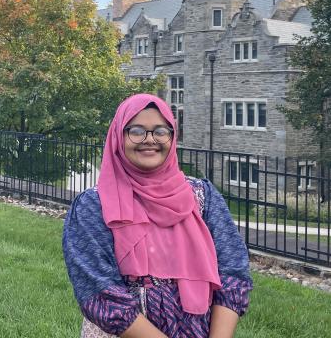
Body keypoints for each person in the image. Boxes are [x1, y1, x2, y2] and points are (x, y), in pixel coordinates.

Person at [63, 93, 252, 338]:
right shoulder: (94, 205)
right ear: (118, 137)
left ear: (172, 137)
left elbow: (233, 272)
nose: (149, 140)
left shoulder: (202, 196)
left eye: (160, 131)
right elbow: (98, 288)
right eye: (137, 131)